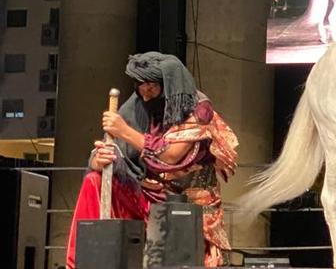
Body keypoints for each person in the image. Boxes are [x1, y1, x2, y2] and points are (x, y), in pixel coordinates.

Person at [65, 52, 239, 268]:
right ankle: (79, 263)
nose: (145, 95)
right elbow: (112, 150)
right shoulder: (136, 104)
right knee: (94, 180)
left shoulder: (198, 108)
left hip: (188, 202)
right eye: (140, 86)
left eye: (151, 88)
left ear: (167, 85)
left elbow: (171, 155)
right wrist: (98, 160)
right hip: (146, 194)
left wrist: (124, 131)